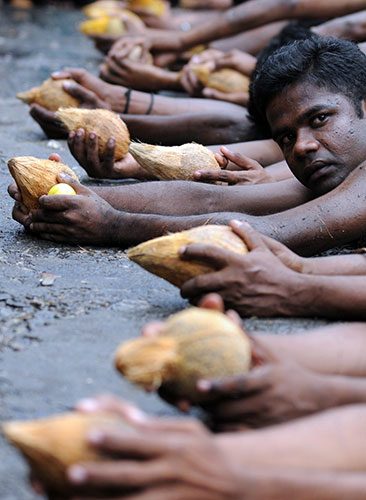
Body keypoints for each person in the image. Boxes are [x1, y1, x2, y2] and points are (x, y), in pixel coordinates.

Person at [9, 37, 366, 256]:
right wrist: (68, 194)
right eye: (286, 138)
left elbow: (278, 232)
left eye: (320, 119)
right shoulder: (336, 173)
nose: (301, 147)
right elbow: (213, 200)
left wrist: (113, 226)